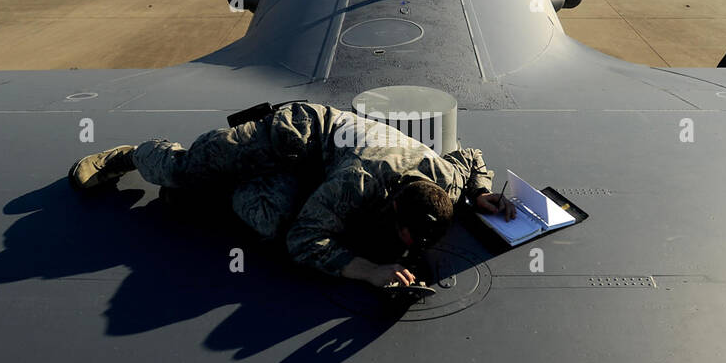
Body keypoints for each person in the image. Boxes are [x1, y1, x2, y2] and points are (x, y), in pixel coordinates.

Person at [68, 101, 515, 287]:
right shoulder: (360, 182)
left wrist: (480, 193)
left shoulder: (447, 182)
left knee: (267, 218)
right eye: (404, 236)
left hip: (316, 168)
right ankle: (128, 157)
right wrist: (367, 270)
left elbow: (471, 157)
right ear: (394, 205)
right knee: (187, 171)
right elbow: (304, 240)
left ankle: (212, 196)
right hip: (295, 135)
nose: (410, 249)